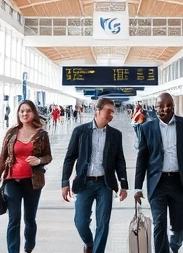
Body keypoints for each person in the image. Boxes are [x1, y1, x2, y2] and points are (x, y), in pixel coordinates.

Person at [134, 93, 183, 253]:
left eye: (168, 105)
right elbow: (141, 159)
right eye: (160, 106)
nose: (164, 109)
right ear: (155, 108)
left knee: (179, 228)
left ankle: (174, 247)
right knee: (159, 225)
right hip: (157, 184)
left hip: (179, 183)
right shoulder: (147, 128)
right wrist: (138, 188)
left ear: (173, 106)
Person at [61, 98, 129, 253]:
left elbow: (120, 160)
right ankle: (89, 243)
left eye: (113, 111)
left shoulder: (115, 135)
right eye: (108, 111)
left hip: (105, 184)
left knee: (103, 223)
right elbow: (70, 157)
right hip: (84, 183)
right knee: (80, 221)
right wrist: (65, 182)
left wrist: (123, 184)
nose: (112, 114)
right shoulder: (80, 131)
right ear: (97, 111)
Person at [0, 100, 53, 253]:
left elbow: (48, 156)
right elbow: (3, 155)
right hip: (12, 180)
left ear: (34, 113)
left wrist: (39, 160)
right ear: (18, 114)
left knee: (29, 219)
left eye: (28, 111)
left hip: (33, 182)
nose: (24, 114)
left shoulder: (42, 134)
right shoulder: (12, 132)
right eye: (22, 111)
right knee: (14, 218)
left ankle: (28, 247)